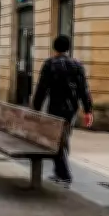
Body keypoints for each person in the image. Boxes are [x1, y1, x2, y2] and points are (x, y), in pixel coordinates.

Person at [32, 35, 93, 188]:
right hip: (71, 109)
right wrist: (88, 110)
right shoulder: (77, 65)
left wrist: (36, 108)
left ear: (54, 47)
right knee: (62, 138)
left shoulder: (50, 64)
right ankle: (60, 172)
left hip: (56, 107)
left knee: (57, 140)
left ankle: (64, 174)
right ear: (68, 48)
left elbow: (42, 88)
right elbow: (84, 89)